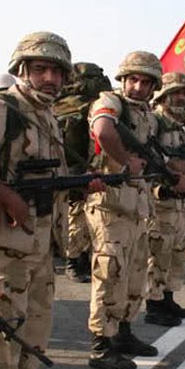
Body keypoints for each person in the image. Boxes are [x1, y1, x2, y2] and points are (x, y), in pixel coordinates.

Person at [0, 31, 101, 369]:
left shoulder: (47, 115)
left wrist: (79, 186)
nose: (50, 78)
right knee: (1, 343)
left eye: (57, 71)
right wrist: (9, 197)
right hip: (3, 249)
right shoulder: (3, 110)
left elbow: (48, 179)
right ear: (22, 69)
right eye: (41, 69)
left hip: (39, 247)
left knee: (34, 338)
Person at [85, 51, 185, 369]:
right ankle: (101, 346)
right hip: (110, 207)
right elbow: (103, 131)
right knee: (110, 274)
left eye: (146, 82)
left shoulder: (148, 116)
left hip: (139, 207)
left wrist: (174, 173)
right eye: (133, 80)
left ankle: (123, 333)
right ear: (123, 79)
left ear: (154, 86)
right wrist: (126, 162)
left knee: (135, 274)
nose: (139, 87)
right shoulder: (110, 102)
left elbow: (155, 153)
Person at [54, 62, 112, 283]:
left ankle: (76, 259)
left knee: (75, 215)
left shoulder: (59, 104)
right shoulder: (87, 106)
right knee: (77, 217)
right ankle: (74, 262)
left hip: (68, 166)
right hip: (79, 166)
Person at [145, 72, 185, 327]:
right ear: (163, 95)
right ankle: (154, 305)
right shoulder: (154, 121)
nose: (180, 97)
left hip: (178, 201)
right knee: (158, 253)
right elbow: (147, 158)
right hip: (160, 200)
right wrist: (171, 170)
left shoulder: (178, 125)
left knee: (176, 252)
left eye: (184, 93)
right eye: (175, 93)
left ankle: (167, 298)